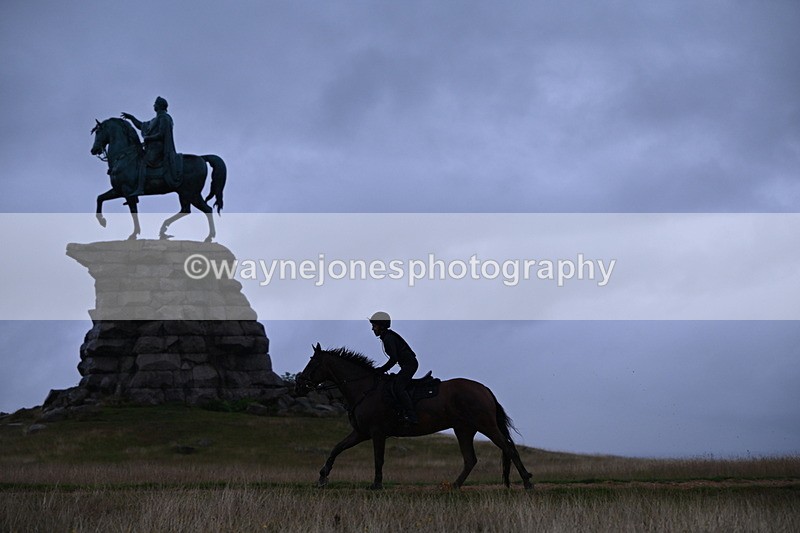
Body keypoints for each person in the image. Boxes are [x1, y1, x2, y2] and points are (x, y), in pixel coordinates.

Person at [121, 96, 178, 196]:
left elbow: (161, 134)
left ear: (160, 106)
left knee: (143, 162)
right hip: (151, 147)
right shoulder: (155, 120)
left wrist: (148, 138)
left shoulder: (164, 118)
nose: (154, 106)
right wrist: (132, 118)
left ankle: (140, 188)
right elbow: (141, 126)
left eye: (155, 104)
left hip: (158, 148)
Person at [369, 311, 419, 424]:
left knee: (398, 387)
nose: (373, 329)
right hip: (407, 365)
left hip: (410, 366)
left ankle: (412, 415)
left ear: (381, 326)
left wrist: (381, 370)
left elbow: (394, 359)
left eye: (374, 326)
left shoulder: (388, 338)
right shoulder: (387, 336)